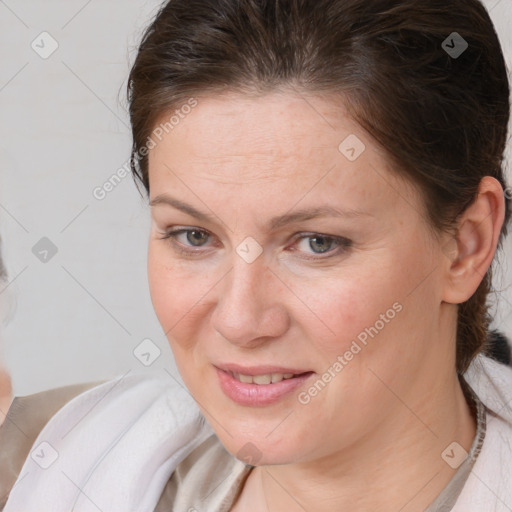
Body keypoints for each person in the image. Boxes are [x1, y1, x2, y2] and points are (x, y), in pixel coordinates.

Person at [1, 0, 512, 510]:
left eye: (317, 243)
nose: (240, 322)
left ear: (466, 245)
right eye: (194, 236)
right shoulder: (42, 464)